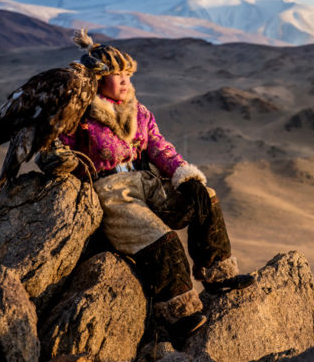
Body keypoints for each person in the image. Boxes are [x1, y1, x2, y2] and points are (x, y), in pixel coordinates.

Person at [38, 34, 254, 345]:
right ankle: (178, 315)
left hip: (147, 182)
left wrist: (184, 174)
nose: (125, 82)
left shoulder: (138, 111)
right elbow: (50, 146)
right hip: (113, 194)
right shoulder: (78, 115)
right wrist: (55, 157)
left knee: (203, 197)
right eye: (117, 75)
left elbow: (157, 146)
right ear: (97, 78)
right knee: (161, 240)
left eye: (128, 75)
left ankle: (218, 274)